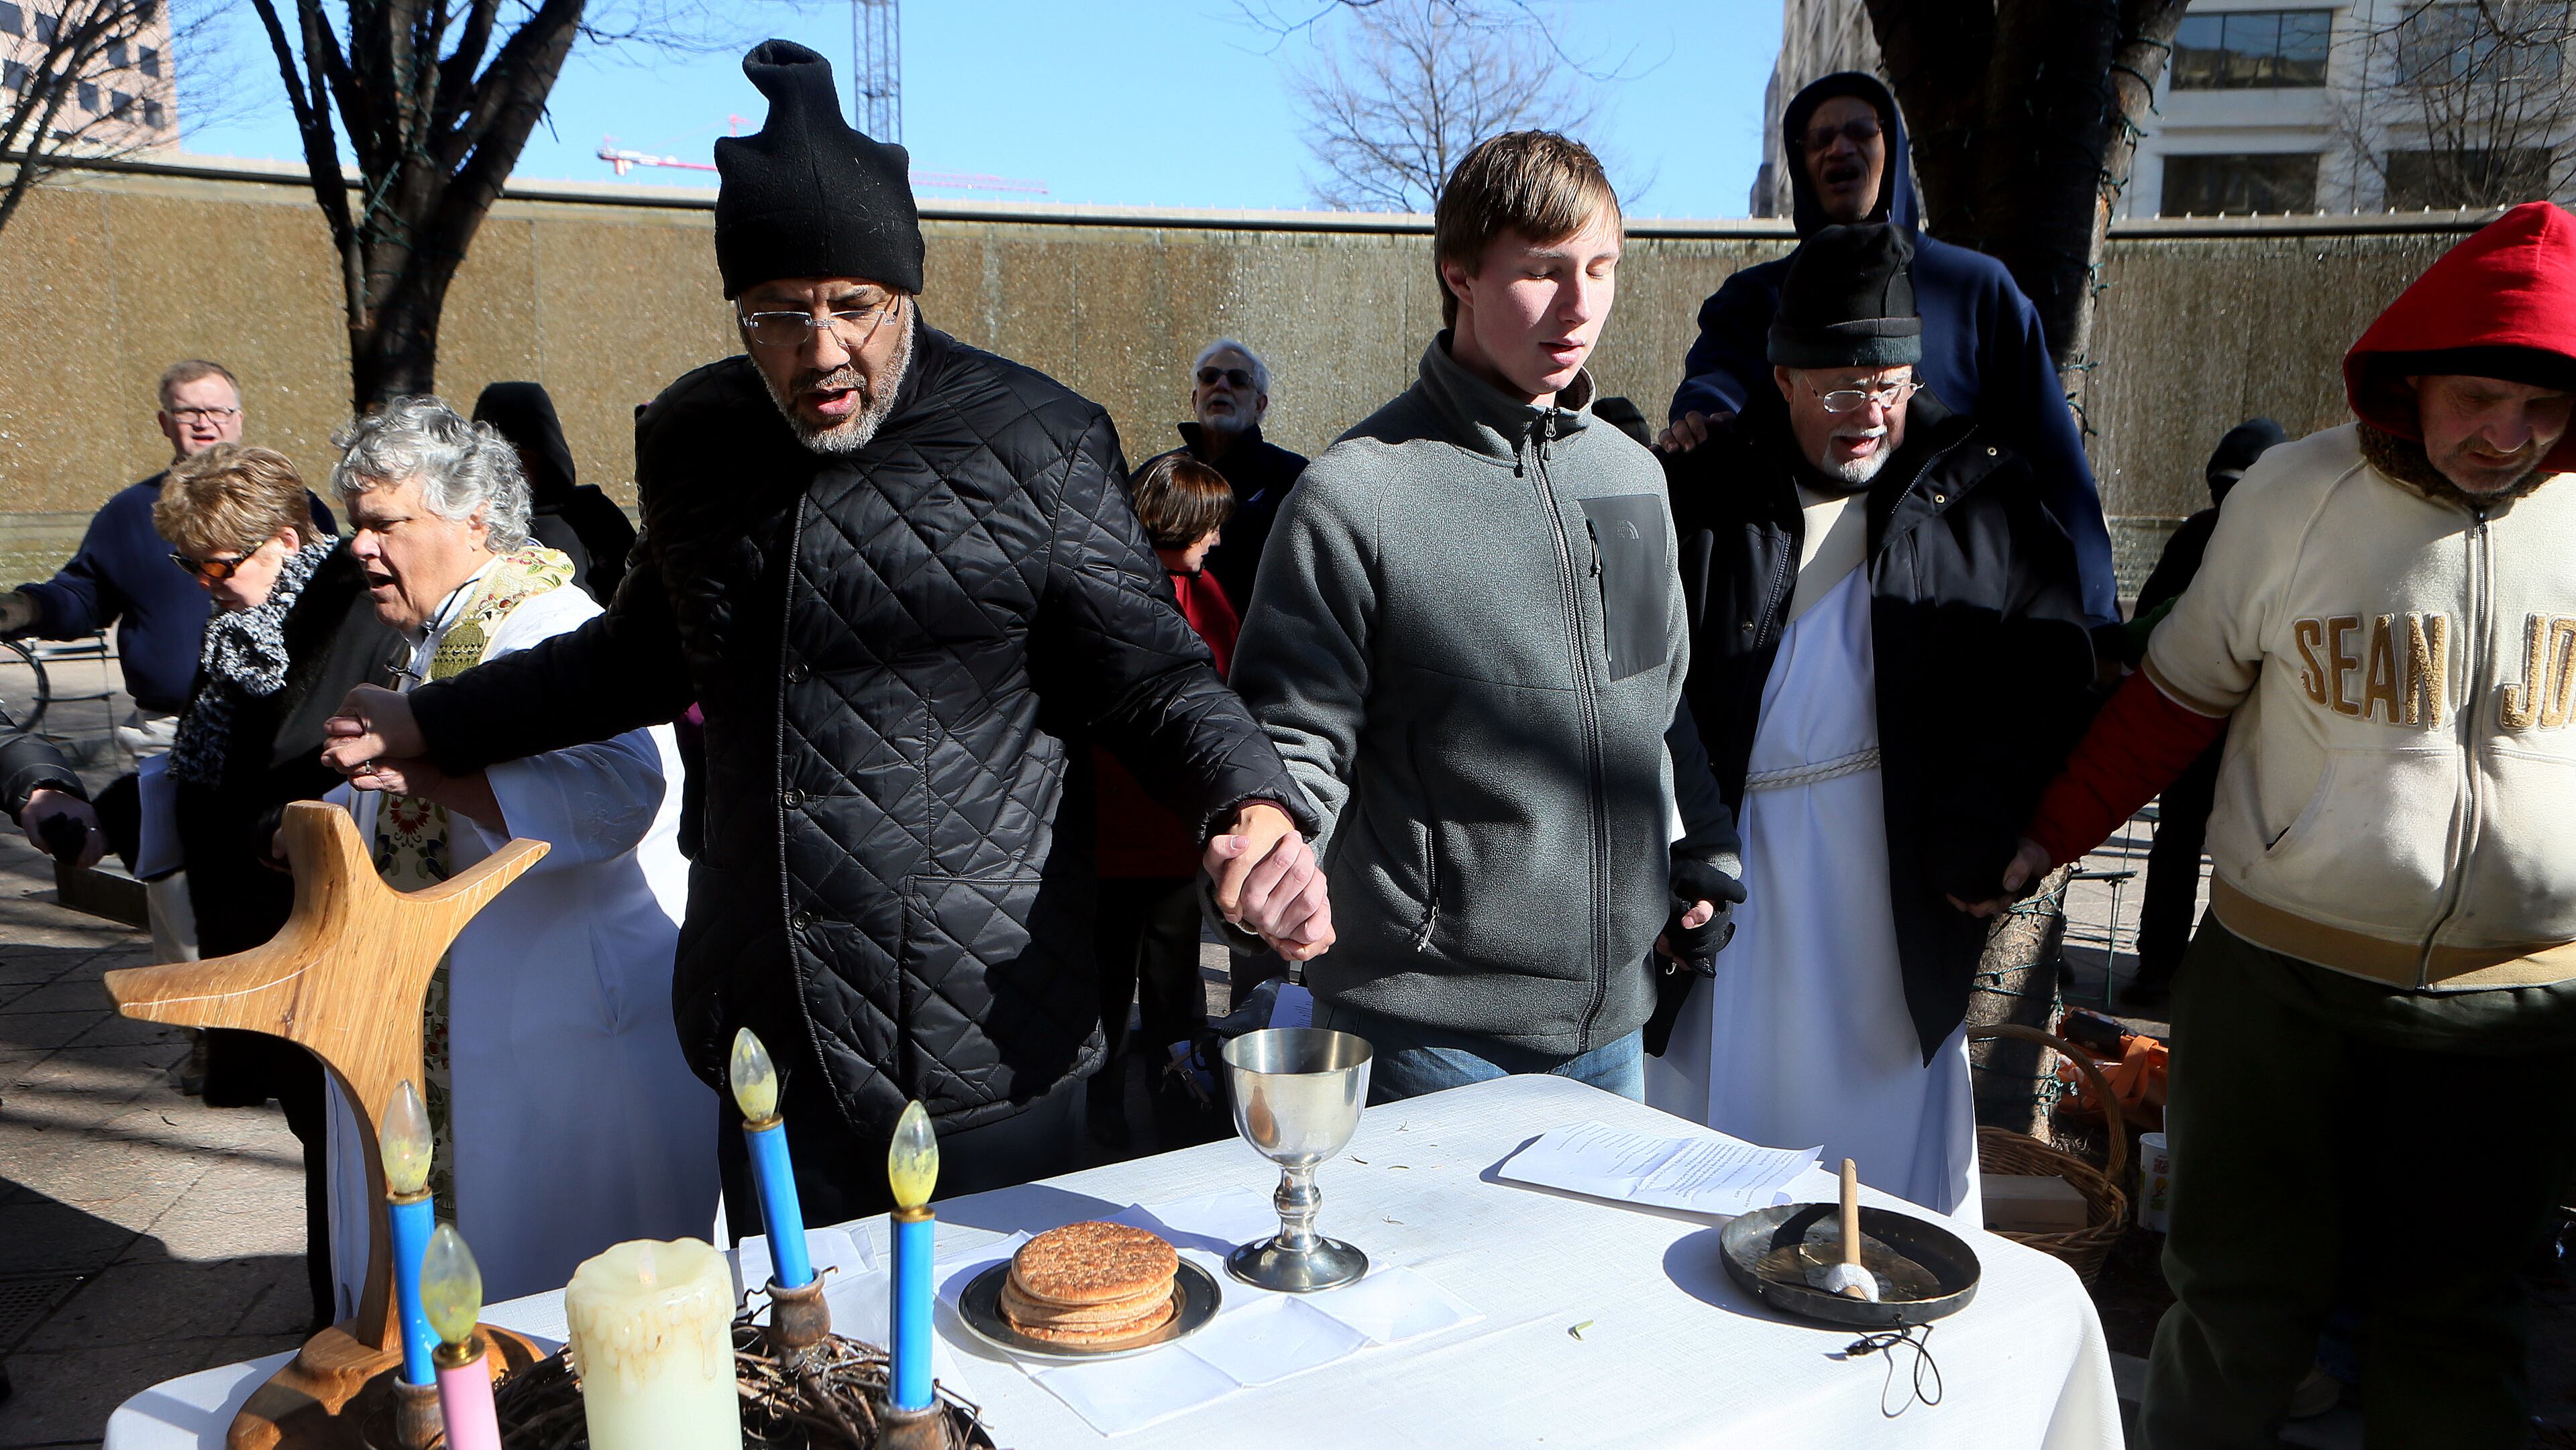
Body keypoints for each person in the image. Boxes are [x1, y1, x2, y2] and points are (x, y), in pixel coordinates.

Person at [317, 41, 1329, 1227]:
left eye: (856, 306)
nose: (823, 350)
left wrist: (1246, 799)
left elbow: (1152, 670)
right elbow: (641, 653)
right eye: (778, 315)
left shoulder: (1038, 436)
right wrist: (432, 716)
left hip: (983, 1025)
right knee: (798, 1371)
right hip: (768, 1015)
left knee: (994, 1362)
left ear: (906, 290)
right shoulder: (695, 434)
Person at [1970, 201, 2576, 1449]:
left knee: (2458, 1325)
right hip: (2281, 987)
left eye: (2543, 409)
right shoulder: (2296, 492)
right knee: (2238, 1308)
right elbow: (2170, 704)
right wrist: (2042, 842)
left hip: (2517, 1007)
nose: (2507, 439)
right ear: (2411, 381)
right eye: (2477, 398)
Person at [1232, 130, 1739, 1105]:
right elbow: (1294, 739)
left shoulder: (1633, 481)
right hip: (1425, 1033)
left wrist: (1698, 849)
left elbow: (1654, 707)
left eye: (1601, 267)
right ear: (1458, 274)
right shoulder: (1358, 494)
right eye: (1543, 272)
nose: (1581, 304)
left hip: (1616, 1031)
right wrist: (1275, 853)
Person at [1646, 223, 2094, 1219]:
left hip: (1890, 872)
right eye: (1836, 385)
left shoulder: (1985, 498)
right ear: (1781, 375)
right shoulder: (1704, 492)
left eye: (1886, 384)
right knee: (1718, 1148)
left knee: (1882, 1172)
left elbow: (2048, 677)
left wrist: (1984, 821)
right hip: (1739, 864)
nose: (1865, 414)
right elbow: (1643, 677)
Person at [313, 396, 716, 1307]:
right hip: (502, 1026)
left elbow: (619, 795)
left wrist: (424, 776)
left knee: (561, 1294)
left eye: (384, 524)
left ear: (474, 519)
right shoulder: (442, 637)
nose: (360, 546)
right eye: (355, 523)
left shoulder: (542, 622)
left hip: (567, 1035)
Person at [1659, 72, 2119, 629]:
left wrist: (2096, 617)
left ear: (1892, 148)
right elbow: (1714, 391)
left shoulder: (1978, 291)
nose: (1840, 148)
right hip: (1799, 604)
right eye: (1821, 139)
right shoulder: (1752, 298)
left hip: (1951, 610)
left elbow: (2054, 463)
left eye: (1860, 132)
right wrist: (1703, 420)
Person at [152, 443, 405, 1332]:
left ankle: (354, 1314)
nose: (204, 584)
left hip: (319, 920)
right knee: (314, 1125)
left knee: (347, 1132)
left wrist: (275, 825)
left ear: (289, 539)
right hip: (263, 926)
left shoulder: (350, 617)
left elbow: (325, 757)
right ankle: (335, 1308)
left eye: (217, 563)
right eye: (189, 565)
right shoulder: (245, 631)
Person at [0, 360, 334, 970]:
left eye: (219, 411)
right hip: (171, 736)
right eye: (190, 411)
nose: (205, 423)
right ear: (165, 422)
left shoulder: (317, 571)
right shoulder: (133, 514)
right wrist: (25, 608)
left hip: (283, 803)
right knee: (183, 927)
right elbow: (83, 597)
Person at [1089, 452, 1241, 1151]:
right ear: (1184, 521)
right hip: (1157, 824)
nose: (1216, 539)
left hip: (1117, 825)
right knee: (1168, 977)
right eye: (1209, 526)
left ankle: (1112, 1110)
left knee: (1114, 980)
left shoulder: (1103, 583)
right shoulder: (1193, 598)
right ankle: (1170, 1093)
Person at [2118, 418, 2286, 1011]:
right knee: (2216, 844)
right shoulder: (2263, 537)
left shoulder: (2215, 534)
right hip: (2224, 722)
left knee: (2199, 842)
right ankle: (2179, 967)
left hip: (2232, 722)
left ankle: (2173, 967)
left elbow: (2147, 624)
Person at [471, 382, 639, 604]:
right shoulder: (473, 525)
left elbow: (641, 590)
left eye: (523, 459)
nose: (515, 472)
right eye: (502, 461)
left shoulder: (592, 514)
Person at [1171, 339, 1305, 611]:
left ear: (1260, 404)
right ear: (1195, 399)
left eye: (1238, 380)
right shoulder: (1162, 476)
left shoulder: (1294, 478)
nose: (1221, 386)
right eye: (1209, 377)